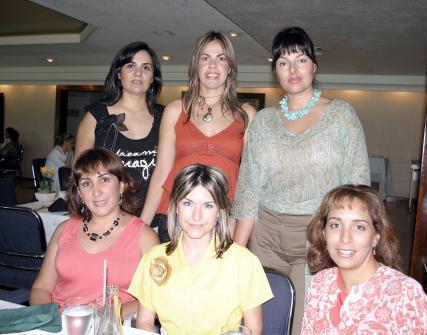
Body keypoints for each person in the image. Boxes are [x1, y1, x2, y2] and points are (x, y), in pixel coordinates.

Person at [232, 26, 370, 332]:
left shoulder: (341, 116)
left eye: (300, 59)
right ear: (275, 72)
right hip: (265, 236)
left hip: (316, 236)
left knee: (304, 324)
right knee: (259, 322)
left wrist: (357, 243)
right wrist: (235, 256)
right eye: (283, 62)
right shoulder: (263, 122)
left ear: (314, 66)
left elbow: (358, 190)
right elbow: (249, 189)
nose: (292, 69)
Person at [129, 164, 273, 335]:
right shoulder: (154, 258)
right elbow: (144, 321)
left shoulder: (244, 262)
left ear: (219, 211)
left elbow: (253, 330)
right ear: (176, 207)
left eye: (207, 206)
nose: (196, 216)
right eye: (188, 203)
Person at [140, 31, 256, 242]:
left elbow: (250, 181)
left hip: (224, 220)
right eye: (205, 58)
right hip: (176, 217)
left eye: (221, 58)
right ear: (196, 65)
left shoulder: (246, 114)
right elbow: (162, 171)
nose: (213, 65)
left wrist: (238, 227)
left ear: (230, 67)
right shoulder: (175, 110)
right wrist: (141, 227)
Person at [30, 148, 159, 317]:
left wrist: (109, 314)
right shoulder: (64, 230)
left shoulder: (144, 237)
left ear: (121, 186)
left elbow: (157, 299)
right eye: (86, 183)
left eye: (104, 179)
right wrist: (51, 322)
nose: (96, 192)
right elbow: (41, 289)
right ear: (79, 193)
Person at [302, 184, 427, 334]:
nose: (345, 238)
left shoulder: (405, 295)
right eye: (335, 225)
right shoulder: (319, 284)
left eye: (359, 227)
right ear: (323, 233)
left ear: (376, 237)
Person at [75, 41, 163, 214]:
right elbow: (81, 175)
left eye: (146, 68)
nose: (138, 73)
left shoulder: (165, 117)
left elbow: (166, 174)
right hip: (106, 219)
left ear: (152, 78)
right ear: (118, 74)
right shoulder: (95, 116)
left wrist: (142, 225)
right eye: (130, 65)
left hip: (152, 220)